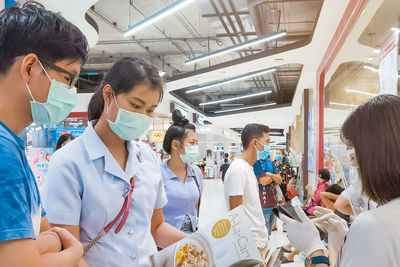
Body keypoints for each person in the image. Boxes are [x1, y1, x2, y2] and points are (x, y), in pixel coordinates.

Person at [42, 57, 187, 267]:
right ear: (109, 95)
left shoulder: (147, 156)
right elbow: (67, 250)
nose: (142, 116)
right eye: (136, 105)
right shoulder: (69, 162)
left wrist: (202, 242)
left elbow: (156, 228)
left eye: (149, 110)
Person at [0, 2, 89, 266]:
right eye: (68, 78)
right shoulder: (4, 153)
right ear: (29, 67)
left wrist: (47, 243)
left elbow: (47, 232)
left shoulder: (13, 146)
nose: (71, 91)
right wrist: (74, 251)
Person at [280, 95, 400, 267]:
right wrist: (342, 242)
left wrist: (315, 250)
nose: (353, 170)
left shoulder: (375, 225)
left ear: (376, 157)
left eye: (352, 157)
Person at [224, 123, 271, 254]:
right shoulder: (238, 170)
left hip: (258, 242)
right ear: (255, 143)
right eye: (267, 142)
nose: (268, 146)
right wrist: (247, 248)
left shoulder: (248, 168)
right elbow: (235, 214)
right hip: (250, 244)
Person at [160, 110, 203, 234]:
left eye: (197, 143)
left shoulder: (196, 173)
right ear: (175, 145)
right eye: (192, 143)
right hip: (166, 239)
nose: (195, 147)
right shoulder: (158, 174)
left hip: (192, 236)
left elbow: (196, 205)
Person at [253, 142, 282, 239]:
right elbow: (264, 181)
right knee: (263, 234)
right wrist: (273, 177)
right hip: (262, 202)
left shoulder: (270, 162)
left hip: (273, 202)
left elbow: (280, 179)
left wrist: (270, 175)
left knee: (269, 232)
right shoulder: (256, 163)